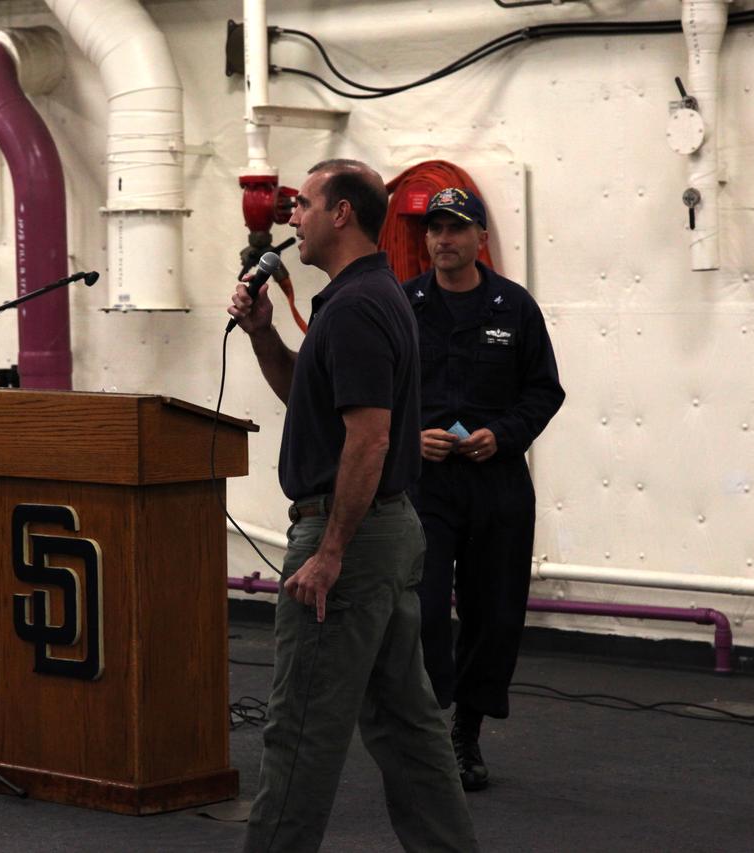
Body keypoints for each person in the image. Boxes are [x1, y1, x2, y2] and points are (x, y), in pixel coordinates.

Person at [228, 159, 477, 853]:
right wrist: (261, 334)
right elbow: (314, 406)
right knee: (407, 725)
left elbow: (369, 438)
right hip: (383, 533)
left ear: (341, 214)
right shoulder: (358, 298)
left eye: (303, 204)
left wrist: (331, 552)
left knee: (300, 728)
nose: (291, 217)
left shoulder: (360, 307)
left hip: (352, 539)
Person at [402, 187, 565, 791]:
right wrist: (410, 437)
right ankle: (423, 723)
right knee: (419, 607)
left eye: (456, 229)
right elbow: (379, 394)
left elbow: (544, 391)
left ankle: (465, 734)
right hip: (427, 485)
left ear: (480, 240)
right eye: (434, 229)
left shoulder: (513, 307)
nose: (443, 239)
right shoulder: (404, 304)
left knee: (491, 612)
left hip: (495, 481)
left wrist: (503, 434)